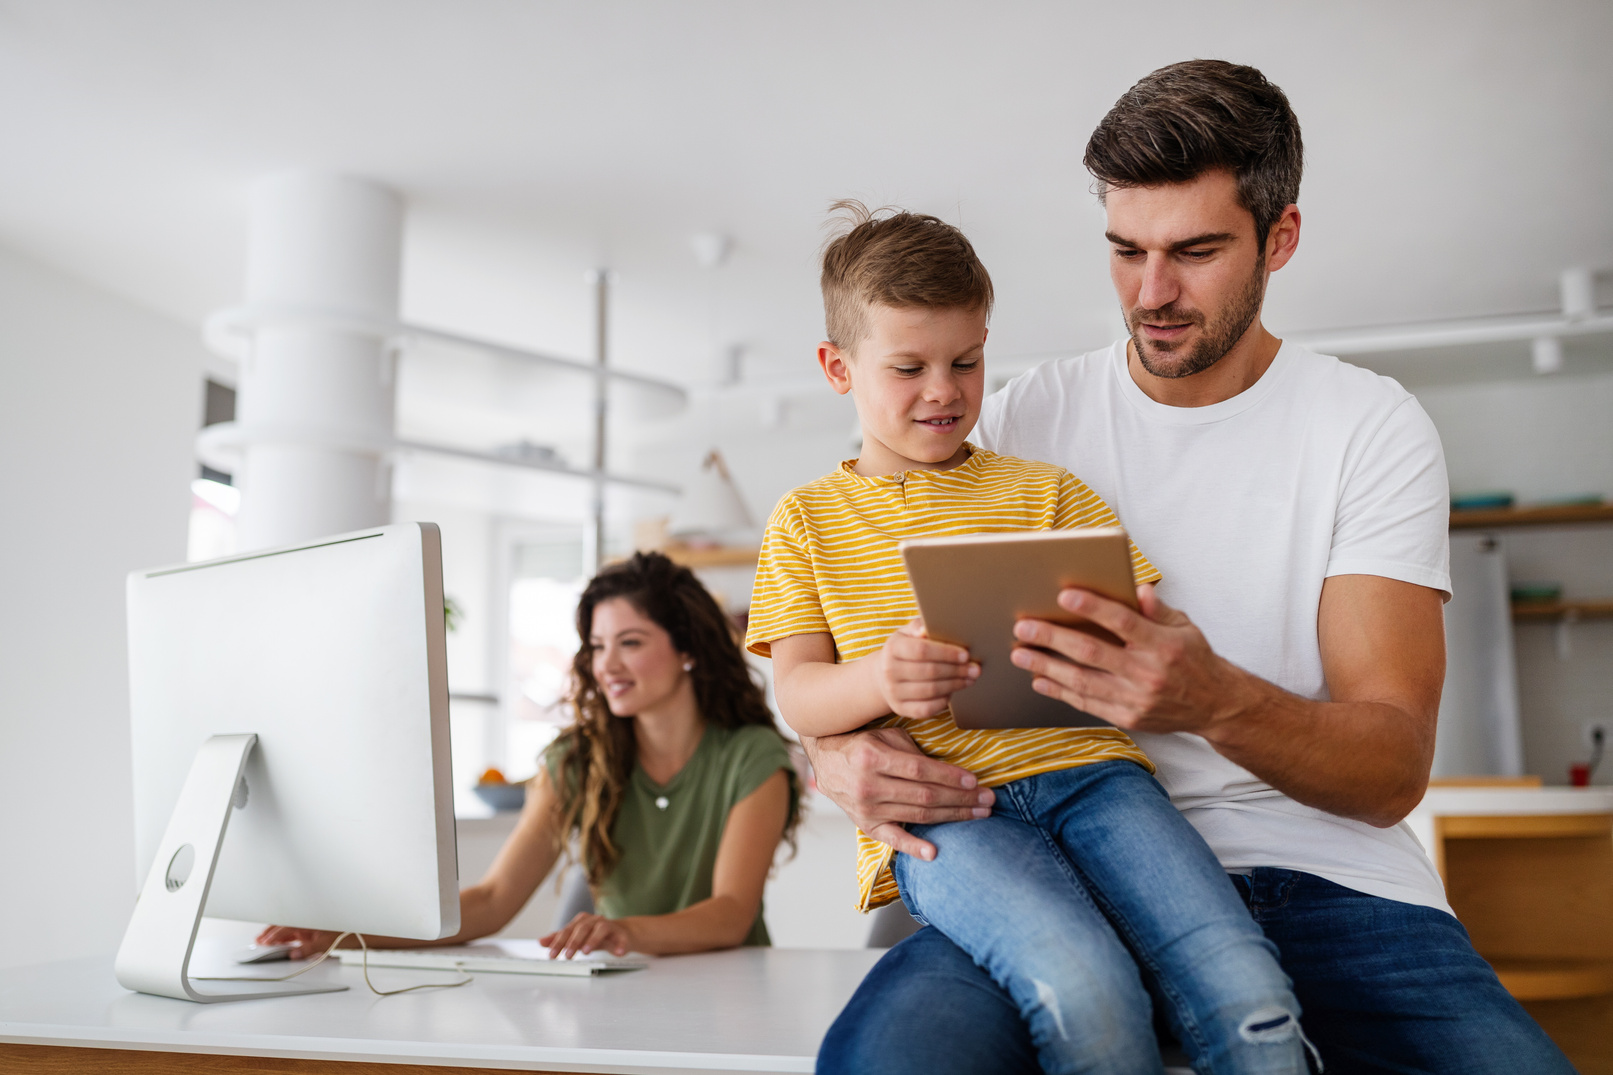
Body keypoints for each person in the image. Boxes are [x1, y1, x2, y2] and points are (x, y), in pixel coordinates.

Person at [811, 60, 1574, 1075]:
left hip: (1326, 881)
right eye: (1125, 251)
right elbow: (862, 636)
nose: (1151, 292)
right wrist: (839, 760)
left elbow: (1390, 767)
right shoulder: (1018, 419)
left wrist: (1210, 698)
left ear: (1279, 238)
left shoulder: (1365, 426)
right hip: (1053, 864)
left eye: (1195, 251)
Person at [748, 202, 1308, 1075]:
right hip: (945, 810)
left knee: (1251, 993)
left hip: (1096, 781)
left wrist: (1151, 626)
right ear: (836, 367)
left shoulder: (1046, 490)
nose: (944, 389)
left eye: (966, 361)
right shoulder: (803, 522)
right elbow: (799, 695)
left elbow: (1146, 616)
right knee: (1083, 988)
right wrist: (880, 681)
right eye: (909, 366)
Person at [259, 551, 801, 960]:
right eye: (596, 645)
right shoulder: (575, 761)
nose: (605, 664)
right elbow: (493, 901)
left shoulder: (751, 756)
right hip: (620, 990)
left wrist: (625, 930)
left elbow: (731, 915)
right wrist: (344, 934)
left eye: (630, 642)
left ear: (687, 650)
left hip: (733, 986)